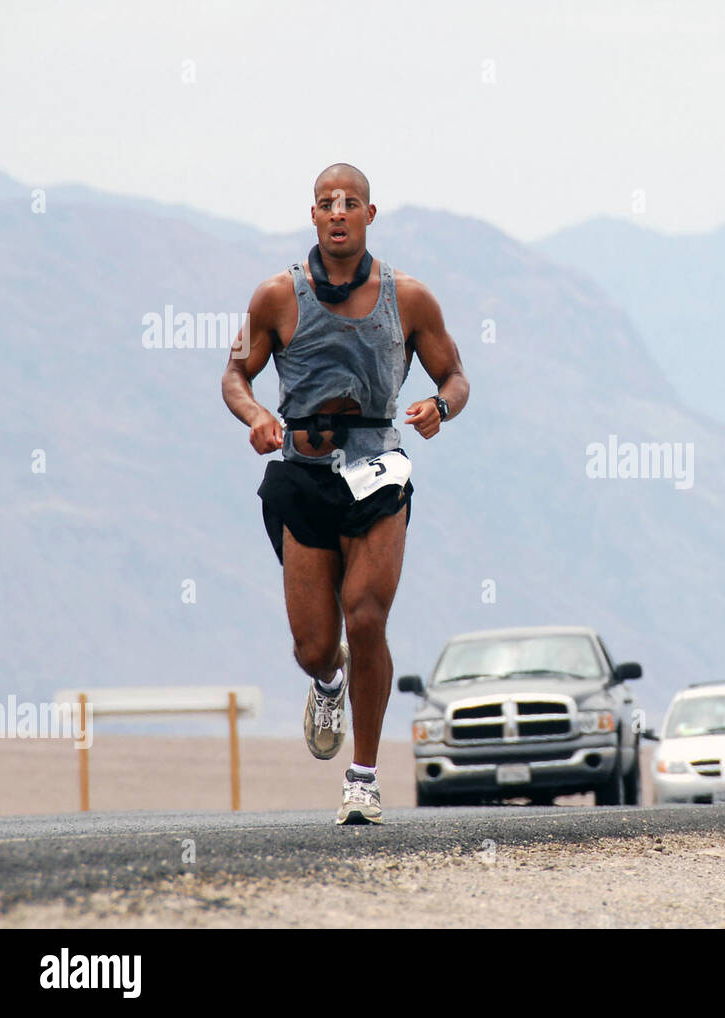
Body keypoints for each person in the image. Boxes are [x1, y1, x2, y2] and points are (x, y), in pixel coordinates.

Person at [221, 163, 468, 824]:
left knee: (366, 615)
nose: (337, 212)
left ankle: (362, 779)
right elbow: (235, 373)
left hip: (378, 467)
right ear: (313, 216)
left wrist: (439, 405)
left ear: (369, 214)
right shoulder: (275, 296)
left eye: (349, 202)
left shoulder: (408, 298)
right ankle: (328, 681)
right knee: (313, 646)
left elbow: (456, 376)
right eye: (326, 202)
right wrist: (257, 418)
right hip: (303, 472)